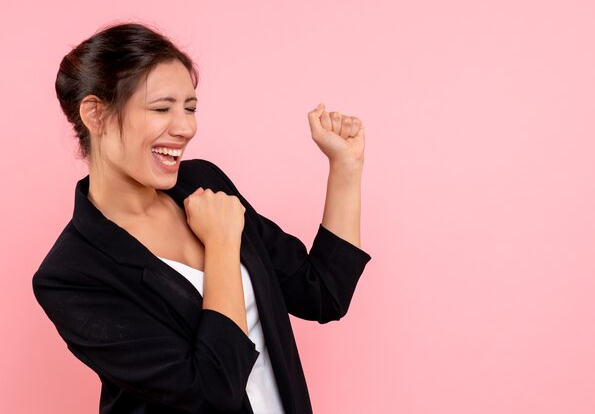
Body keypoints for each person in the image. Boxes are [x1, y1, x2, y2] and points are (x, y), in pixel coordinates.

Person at [32, 22, 372, 414]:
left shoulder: (204, 184)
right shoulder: (71, 276)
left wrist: (346, 169)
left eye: (190, 108)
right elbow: (212, 391)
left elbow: (322, 294)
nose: (186, 128)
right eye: (162, 108)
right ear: (95, 114)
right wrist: (223, 244)